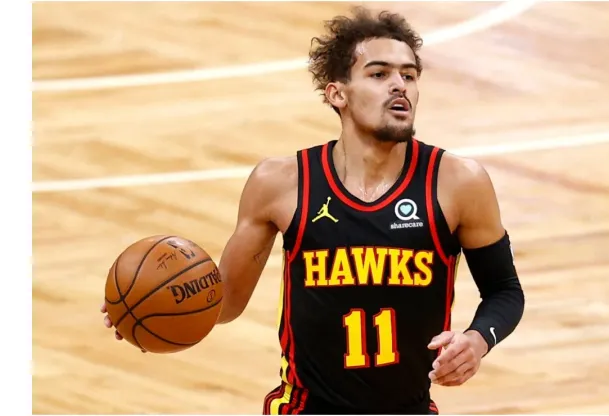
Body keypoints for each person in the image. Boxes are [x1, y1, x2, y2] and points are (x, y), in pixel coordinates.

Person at [102, 6, 524, 415]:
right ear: (337, 93)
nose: (400, 85)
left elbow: (505, 290)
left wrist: (477, 339)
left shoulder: (458, 182)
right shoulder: (280, 183)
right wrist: (140, 304)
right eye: (379, 74)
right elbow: (225, 302)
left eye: (409, 75)